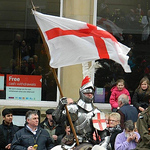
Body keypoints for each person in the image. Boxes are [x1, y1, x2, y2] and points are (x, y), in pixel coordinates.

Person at [52, 76, 109, 147]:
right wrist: (60, 107)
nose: (89, 94)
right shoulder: (72, 108)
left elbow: (104, 133)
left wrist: (104, 144)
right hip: (72, 142)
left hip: (89, 143)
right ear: (81, 92)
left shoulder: (96, 112)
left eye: (91, 93)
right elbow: (56, 119)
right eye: (87, 92)